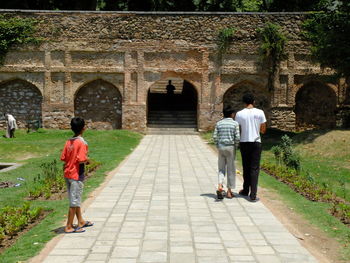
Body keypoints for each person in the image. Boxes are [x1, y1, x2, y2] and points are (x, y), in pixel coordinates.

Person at [61, 117, 93, 233]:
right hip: (76, 174)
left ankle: (80, 221)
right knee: (74, 201)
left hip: (68, 173)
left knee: (75, 198)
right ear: (84, 128)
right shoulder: (82, 142)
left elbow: (63, 158)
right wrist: (88, 160)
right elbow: (81, 159)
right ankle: (69, 226)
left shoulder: (68, 141)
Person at [235, 93, 267, 202]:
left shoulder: (239, 114)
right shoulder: (260, 112)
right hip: (256, 142)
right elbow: (263, 129)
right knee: (254, 168)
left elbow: (238, 128)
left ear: (244, 102)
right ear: (253, 102)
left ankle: (245, 190)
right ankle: (253, 194)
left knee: (246, 167)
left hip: (244, 142)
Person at [213, 107, 240, 199]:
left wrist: (218, 146)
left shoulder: (219, 123)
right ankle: (229, 191)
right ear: (232, 114)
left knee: (221, 168)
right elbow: (237, 137)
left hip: (221, 147)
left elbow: (215, 137)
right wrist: (235, 147)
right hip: (230, 147)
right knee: (231, 169)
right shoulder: (234, 123)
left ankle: (220, 185)